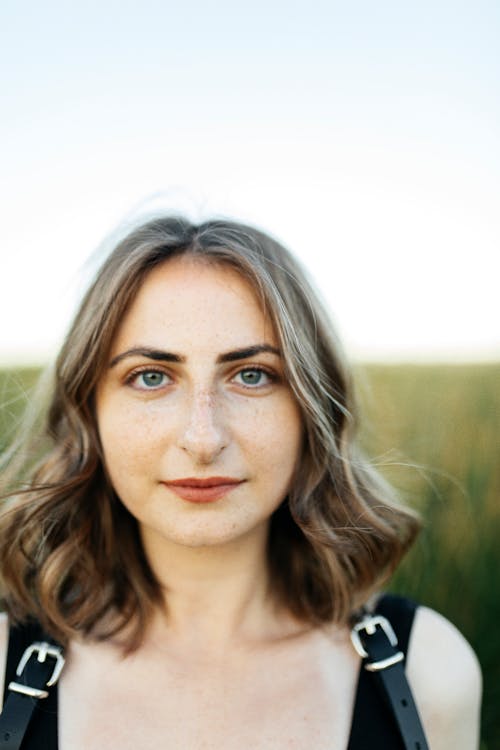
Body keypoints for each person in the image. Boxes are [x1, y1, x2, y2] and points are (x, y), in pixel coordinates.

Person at [0, 215, 481, 749]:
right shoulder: (4, 664)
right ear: (90, 412)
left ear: (309, 407)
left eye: (251, 375)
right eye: (151, 377)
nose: (203, 440)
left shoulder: (426, 672)